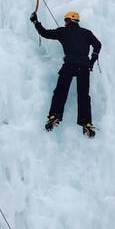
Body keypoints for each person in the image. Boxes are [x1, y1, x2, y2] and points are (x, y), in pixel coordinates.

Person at [30, 10, 101, 138]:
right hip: (84, 66)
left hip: (69, 65)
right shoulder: (86, 33)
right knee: (84, 95)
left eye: (66, 20)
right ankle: (86, 122)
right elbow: (98, 45)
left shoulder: (62, 31)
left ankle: (55, 115)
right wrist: (92, 61)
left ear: (69, 20)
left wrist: (35, 21)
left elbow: (44, 33)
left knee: (60, 92)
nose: (65, 22)